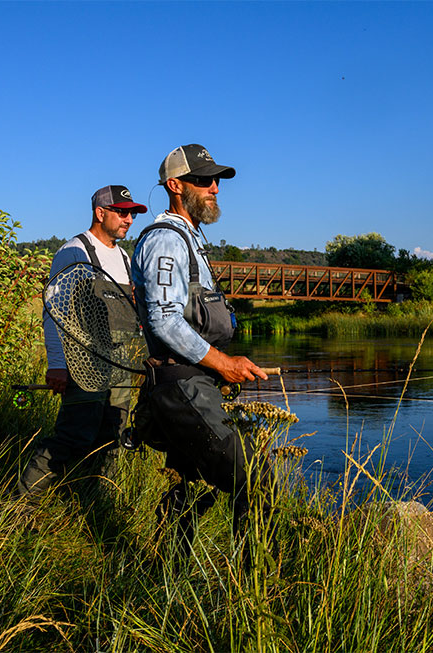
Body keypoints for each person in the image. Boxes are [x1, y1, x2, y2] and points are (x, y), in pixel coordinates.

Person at [130, 144, 270, 555]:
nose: (215, 188)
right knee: (253, 479)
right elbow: (163, 319)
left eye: (216, 181)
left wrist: (221, 367)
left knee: (187, 489)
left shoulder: (190, 238)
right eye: (204, 180)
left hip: (191, 381)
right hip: (179, 385)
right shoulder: (164, 241)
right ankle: (252, 585)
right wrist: (223, 363)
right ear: (175, 185)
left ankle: (163, 576)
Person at [17, 184, 147, 506]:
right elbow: (53, 313)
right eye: (121, 212)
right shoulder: (73, 252)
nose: (128, 219)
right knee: (74, 436)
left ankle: (91, 505)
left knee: (112, 439)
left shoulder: (124, 257)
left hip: (119, 364)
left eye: (131, 213)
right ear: (100, 213)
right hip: (82, 362)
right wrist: (57, 364)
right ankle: (21, 507)